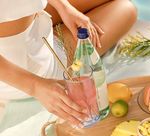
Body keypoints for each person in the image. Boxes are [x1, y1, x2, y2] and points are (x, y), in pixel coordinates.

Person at [0, 0, 137, 125]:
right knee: (125, 9)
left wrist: (64, 7)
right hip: (23, 69)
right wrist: (35, 86)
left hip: (32, 15)